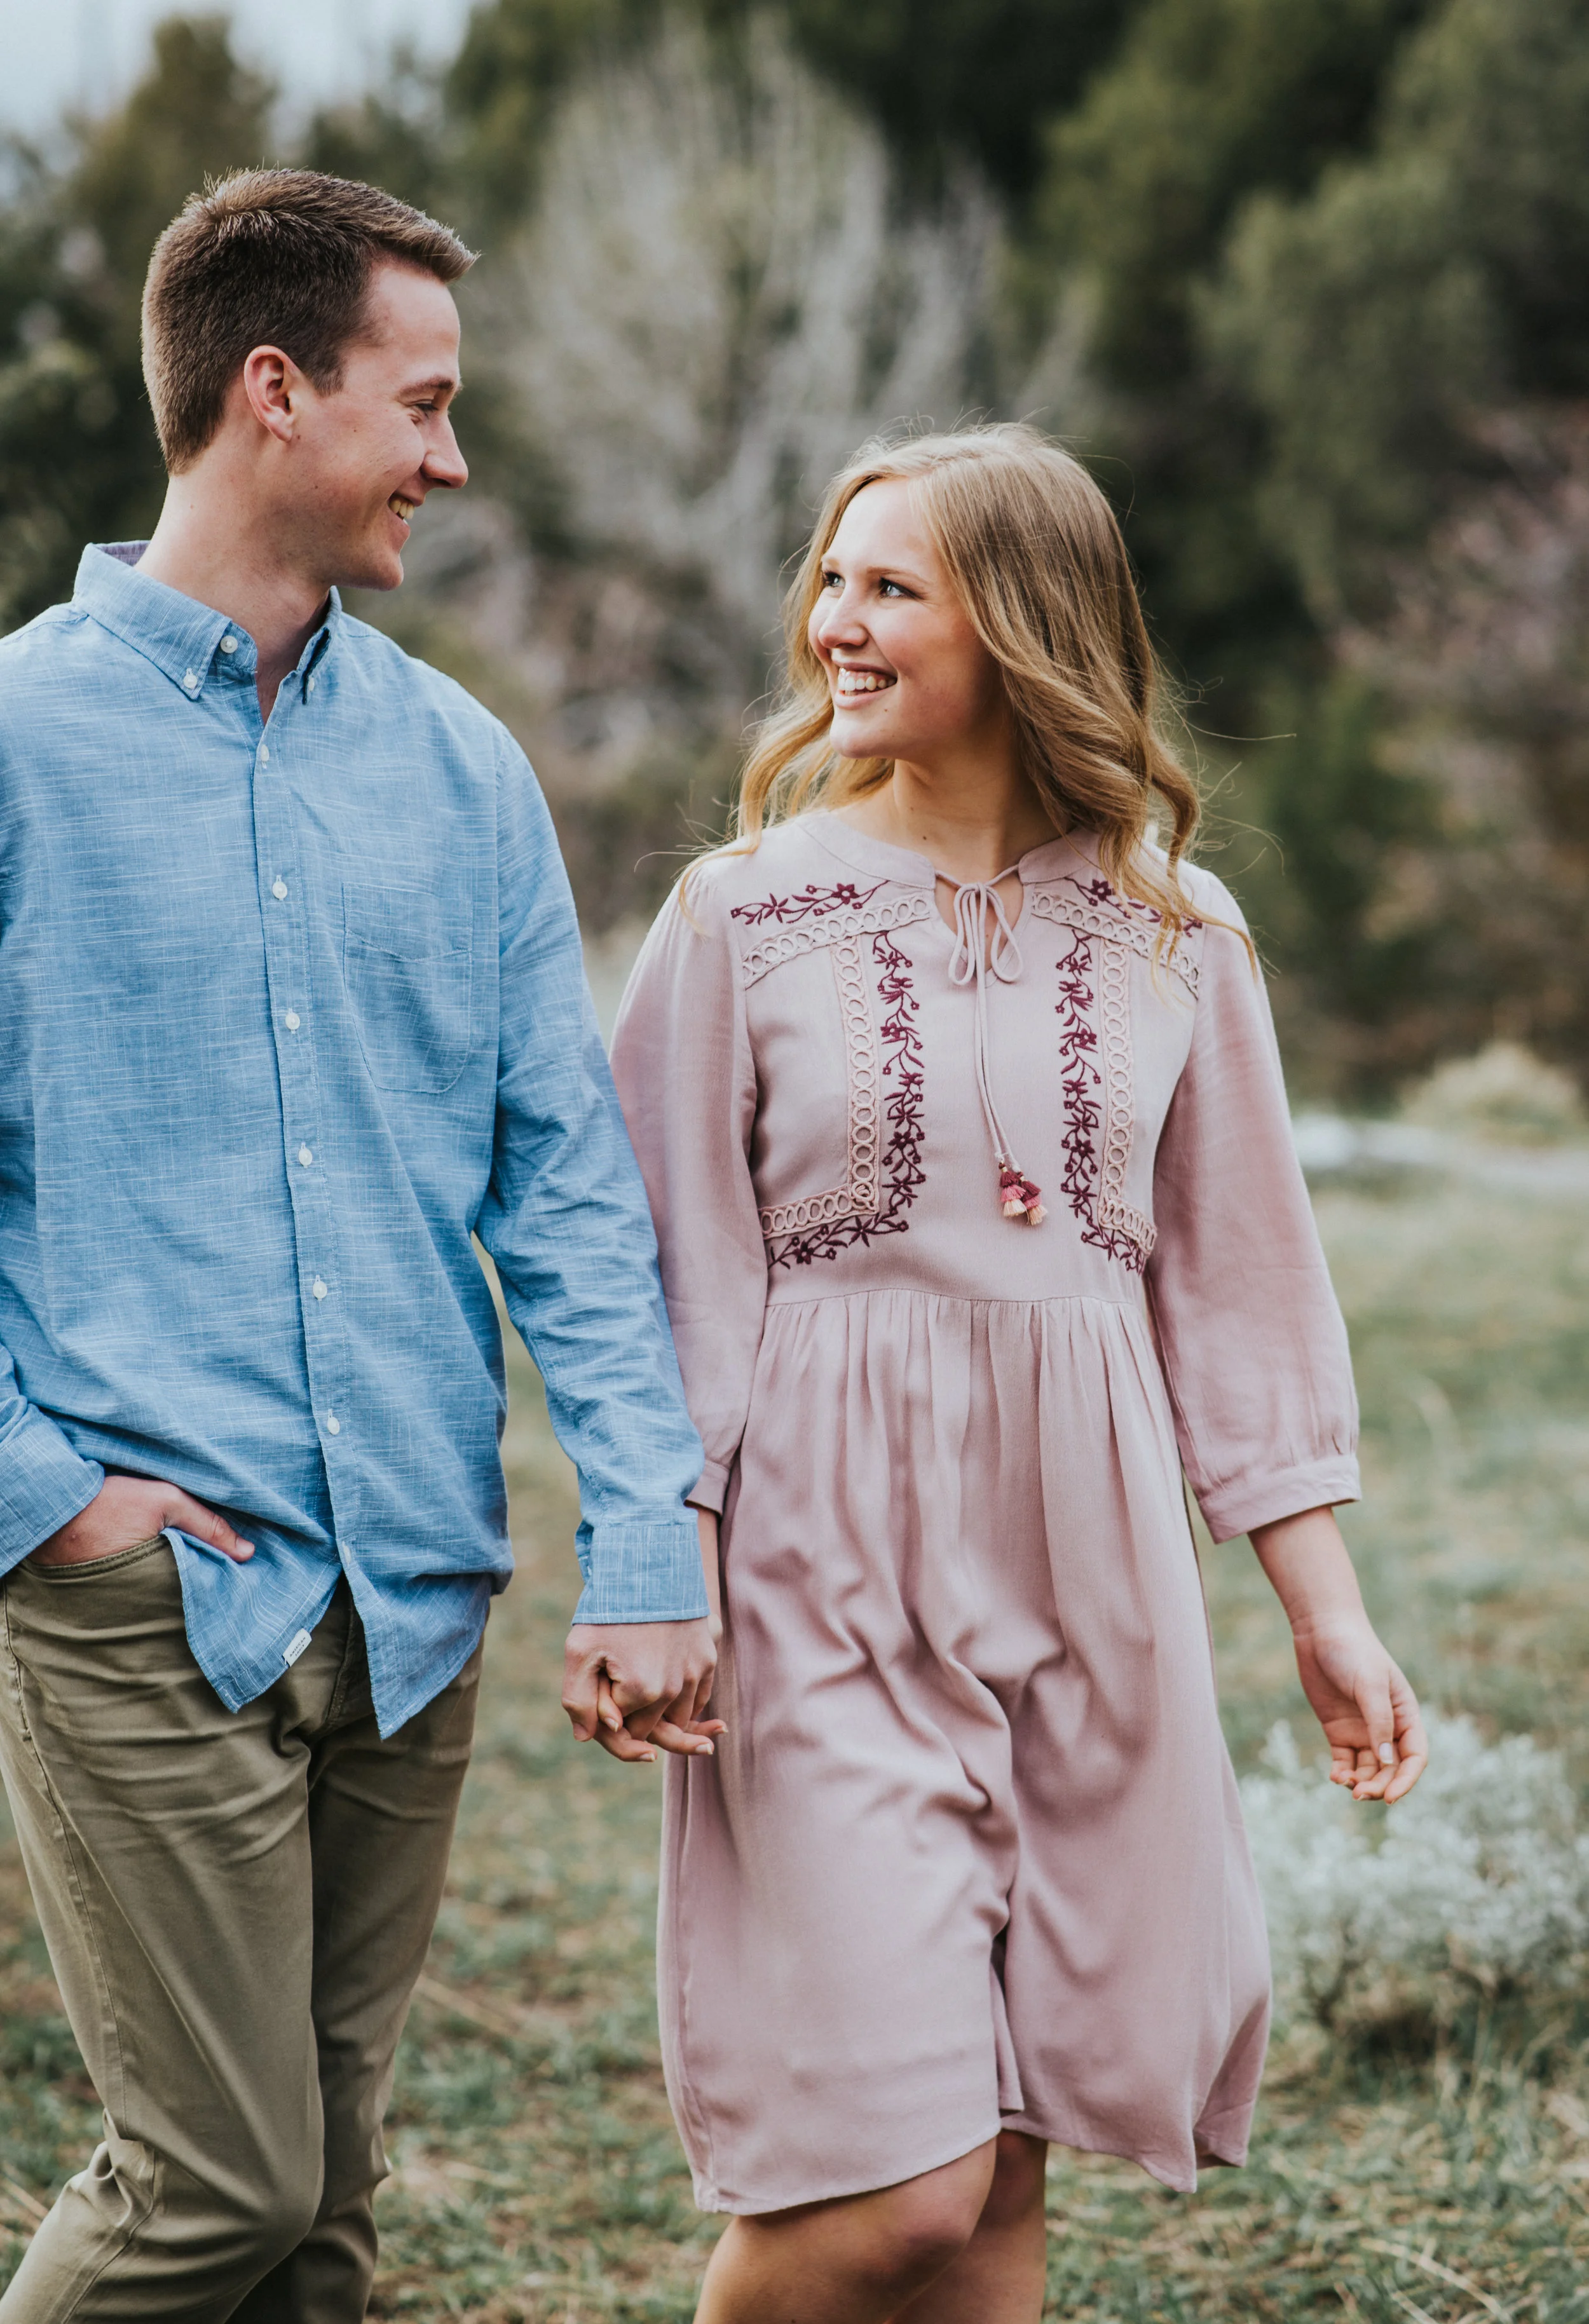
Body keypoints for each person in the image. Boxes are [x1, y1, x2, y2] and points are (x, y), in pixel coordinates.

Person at [606, 423, 1429, 2324]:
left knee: (1004, 2160)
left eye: (890, 587)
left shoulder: (1173, 930)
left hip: (1093, 1565)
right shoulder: (740, 914)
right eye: (832, 579)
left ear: (1026, 626)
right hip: (823, 1566)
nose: (835, 623)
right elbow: (667, 1277)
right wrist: (664, 1557)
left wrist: (1323, 1609)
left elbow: (1244, 1291)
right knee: (889, 2193)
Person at [0, 168, 718, 2323]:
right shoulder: (17, 744)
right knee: (209, 2188)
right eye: (422, 404)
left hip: (412, 1582)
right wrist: (54, 1505)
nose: (453, 454)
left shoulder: (463, 769)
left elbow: (566, 1191)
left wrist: (646, 1541)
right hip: (144, 1592)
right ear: (274, 390)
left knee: (320, 2222)